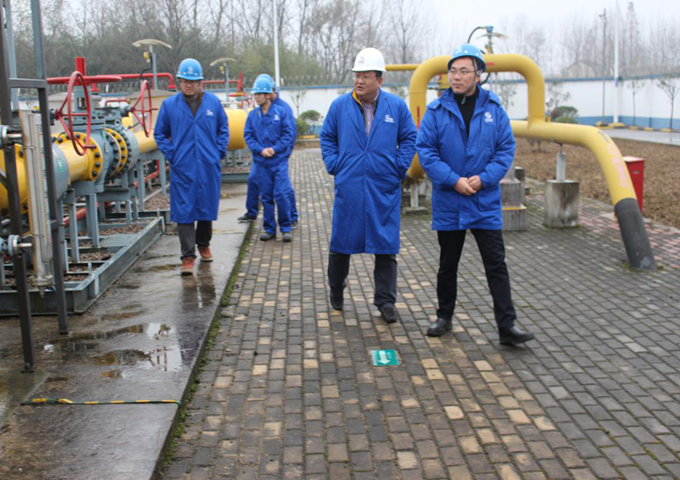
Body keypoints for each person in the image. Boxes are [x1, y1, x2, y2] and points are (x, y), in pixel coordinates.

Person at [415, 44, 535, 345]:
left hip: (484, 201)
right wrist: (453, 180)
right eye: (452, 71)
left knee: (496, 264)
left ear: (478, 75)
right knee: (447, 264)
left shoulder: (494, 109)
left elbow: (505, 149)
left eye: (463, 71)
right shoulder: (436, 111)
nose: (456, 77)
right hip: (450, 200)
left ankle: (507, 326)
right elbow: (426, 151)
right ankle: (444, 316)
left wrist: (484, 179)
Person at [320, 47, 417, 323]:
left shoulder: (396, 107)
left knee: (386, 246)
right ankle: (336, 289)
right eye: (356, 75)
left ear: (380, 79)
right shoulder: (340, 106)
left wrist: (398, 167)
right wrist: (335, 164)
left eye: (365, 76)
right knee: (341, 244)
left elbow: (410, 137)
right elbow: (327, 137)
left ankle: (385, 301)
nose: (359, 81)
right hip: (349, 186)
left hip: (382, 187)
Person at [155, 58, 230, 276]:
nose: (189, 84)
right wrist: (172, 155)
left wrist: (217, 152)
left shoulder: (213, 103)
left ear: (200, 82)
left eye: (193, 81)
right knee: (184, 210)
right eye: (185, 81)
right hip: (183, 166)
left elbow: (223, 129)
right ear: (179, 81)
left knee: (206, 206)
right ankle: (187, 256)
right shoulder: (169, 106)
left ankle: (203, 244)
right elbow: (160, 133)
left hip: (207, 164)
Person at [238, 74, 299, 228]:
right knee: (257, 184)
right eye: (256, 93)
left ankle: (291, 218)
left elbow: (290, 133)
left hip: (279, 158)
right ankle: (254, 213)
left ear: (270, 92)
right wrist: (260, 151)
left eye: (261, 93)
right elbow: (249, 135)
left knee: (283, 191)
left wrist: (281, 153)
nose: (257, 96)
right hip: (262, 159)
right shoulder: (255, 114)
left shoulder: (282, 109)